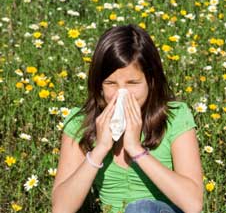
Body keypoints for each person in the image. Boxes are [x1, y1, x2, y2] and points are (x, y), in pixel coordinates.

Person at [51, 24, 203, 213]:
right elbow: (61, 209)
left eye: (133, 83)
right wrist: (100, 149)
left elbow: (193, 204)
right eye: (111, 83)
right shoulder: (79, 122)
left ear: (151, 81)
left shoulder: (175, 116)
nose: (121, 93)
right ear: (99, 85)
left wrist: (136, 149)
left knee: (141, 208)